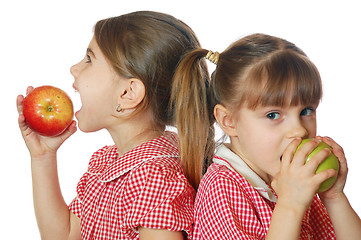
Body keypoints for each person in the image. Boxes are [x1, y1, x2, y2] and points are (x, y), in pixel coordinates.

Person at [16, 11, 213, 240]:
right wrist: (43, 157)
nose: (74, 68)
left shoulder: (152, 179)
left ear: (127, 93)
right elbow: (64, 235)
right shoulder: (109, 164)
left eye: (89, 59)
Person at [173, 33, 361, 239]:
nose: (299, 130)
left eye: (306, 111)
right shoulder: (222, 189)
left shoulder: (295, 178)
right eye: (273, 115)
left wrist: (334, 197)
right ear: (229, 121)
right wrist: (290, 206)